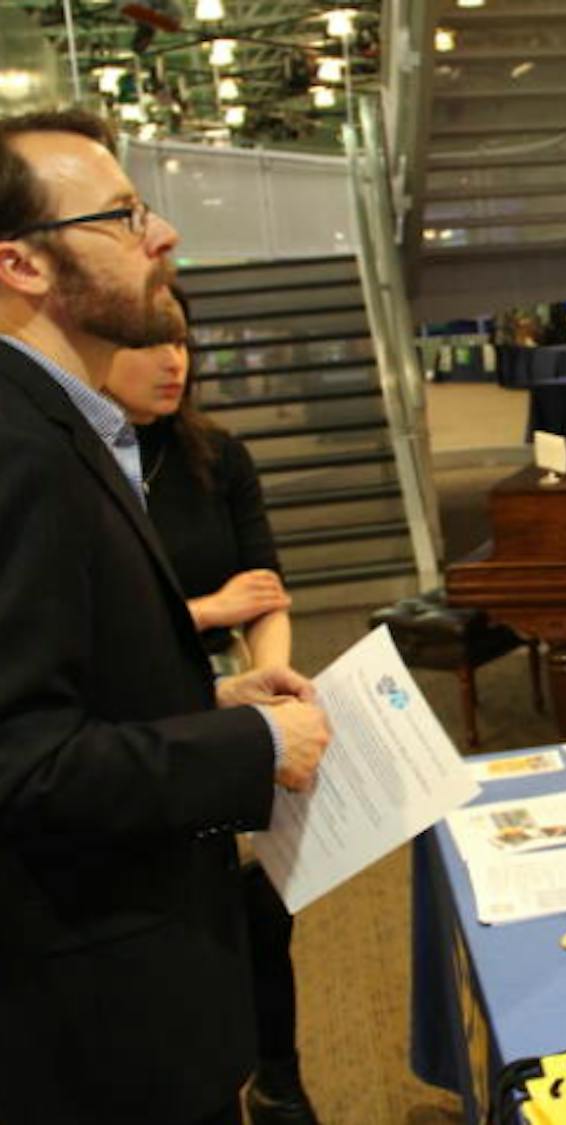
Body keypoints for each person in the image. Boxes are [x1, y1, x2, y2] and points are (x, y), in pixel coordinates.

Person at [0, 108, 330, 1125]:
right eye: (123, 215)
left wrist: (212, 698)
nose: (164, 235)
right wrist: (252, 743)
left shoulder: (67, 425)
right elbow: (23, 763)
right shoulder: (18, 447)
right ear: (22, 263)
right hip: (91, 1012)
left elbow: (66, 676)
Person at [106, 286, 318, 1124]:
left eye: (183, 341)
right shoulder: (75, 467)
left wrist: (275, 688)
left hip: (232, 705)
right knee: (179, 921)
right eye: (150, 342)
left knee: (265, 907)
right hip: (140, 714)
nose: (173, 361)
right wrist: (206, 611)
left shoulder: (217, 455)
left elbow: (267, 593)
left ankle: (280, 1076)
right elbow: (94, 630)